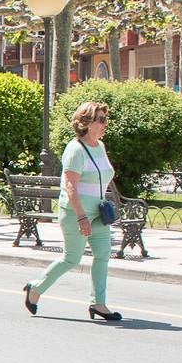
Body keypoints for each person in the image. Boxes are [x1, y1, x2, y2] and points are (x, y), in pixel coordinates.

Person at [23, 101, 122, 321]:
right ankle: (35, 288)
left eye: (105, 119)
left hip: (98, 212)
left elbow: (103, 177)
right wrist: (81, 217)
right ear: (86, 123)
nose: (105, 124)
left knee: (103, 254)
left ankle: (98, 303)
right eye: (101, 119)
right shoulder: (75, 150)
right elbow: (70, 186)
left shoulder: (100, 146)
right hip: (76, 213)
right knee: (72, 258)